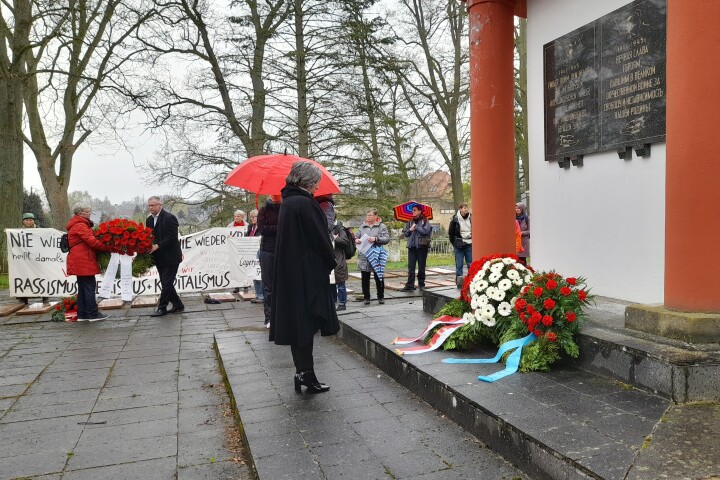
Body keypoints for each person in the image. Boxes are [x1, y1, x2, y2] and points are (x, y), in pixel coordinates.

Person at [270, 161, 338, 394]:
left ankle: (303, 373)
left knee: (298, 326)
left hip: (291, 273)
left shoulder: (288, 201)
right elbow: (319, 239)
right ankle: (306, 374)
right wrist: (331, 261)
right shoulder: (305, 203)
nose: (318, 185)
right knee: (305, 325)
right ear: (309, 181)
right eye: (317, 181)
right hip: (306, 275)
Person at [66, 203, 110, 321]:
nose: (89, 213)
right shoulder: (80, 225)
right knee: (89, 287)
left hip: (80, 260)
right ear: (80, 213)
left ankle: (83, 314)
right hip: (83, 260)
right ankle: (92, 314)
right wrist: (108, 248)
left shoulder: (78, 224)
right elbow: (92, 241)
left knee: (83, 288)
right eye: (87, 211)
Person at [147, 196, 184, 317]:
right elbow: (148, 236)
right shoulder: (149, 220)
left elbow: (172, 237)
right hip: (159, 257)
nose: (151, 208)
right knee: (165, 282)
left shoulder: (170, 218)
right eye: (149, 205)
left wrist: (158, 245)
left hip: (171, 256)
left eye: (153, 205)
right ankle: (178, 305)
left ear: (160, 205)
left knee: (167, 283)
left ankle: (162, 307)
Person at [355, 209, 390, 305]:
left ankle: (381, 296)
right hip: (364, 255)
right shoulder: (362, 226)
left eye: (370, 215)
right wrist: (356, 239)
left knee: (378, 277)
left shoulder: (381, 226)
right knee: (365, 277)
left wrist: (376, 239)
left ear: (375, 216)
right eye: (367, 215)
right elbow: (355, 236)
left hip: (376, 255)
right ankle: (366, 297)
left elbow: (387, 239)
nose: (368, 217)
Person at [258, 195, 281, 328]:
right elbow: (263, 229)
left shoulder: (286, 208)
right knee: (269, 286)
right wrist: (279, 227)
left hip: (284, 250)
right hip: (268, 251)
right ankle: (270, 317)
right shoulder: (264, 210)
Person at [401, 205, 433, 292]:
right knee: (411, 267)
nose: (413, 212)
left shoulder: (425, 221)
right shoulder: (410, 221)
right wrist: (410, 229)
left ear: (419, 211)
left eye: (415, 210)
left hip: (422, 247)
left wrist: (417, 227)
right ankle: (410, 285)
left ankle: (421, 285)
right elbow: (406, 234)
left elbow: (425, 231)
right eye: (412, 210)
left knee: (421, 267)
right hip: (412, 247)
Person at [19, 213, 49, 304]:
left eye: (31, 220)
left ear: (33, 221)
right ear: (23, 221)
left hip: (38, 258)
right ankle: (23, 297)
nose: (29, 222)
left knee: (41, 276)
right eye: (27, 220)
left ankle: (45, 295)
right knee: (24, 276)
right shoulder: (18, 232)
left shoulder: (39, 231)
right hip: (25, 259)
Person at [448, 203, 472, 285]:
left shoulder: (471, 218)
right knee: (459, 265)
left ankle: (471, 281)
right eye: (465, 208)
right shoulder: (455, 219)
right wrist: (454, 243)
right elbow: (451, 233)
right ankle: (459, 283)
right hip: (459, 244)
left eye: (467, 208)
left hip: (470, 243)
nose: (466, 209)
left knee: (471, 264)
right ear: (460, 209)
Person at [331, 221, 351, 311]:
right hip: (330, 258)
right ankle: (333, 302)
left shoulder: (340, 228)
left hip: (339, 259)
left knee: (340, 283)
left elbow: (345, 242)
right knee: (331, 283)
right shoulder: (326, 227)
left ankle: (342, 303)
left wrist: (336, 238)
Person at [246, 209, 263, 303]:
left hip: (259, 251)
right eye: (251, 217)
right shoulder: (250, 227)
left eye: (254, 217)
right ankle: (257, 294)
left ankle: (261, 295)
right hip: (251, 253)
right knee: (254, 274)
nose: (252, 219)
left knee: (260, 274)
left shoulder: (262, 226)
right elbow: (245, 238)